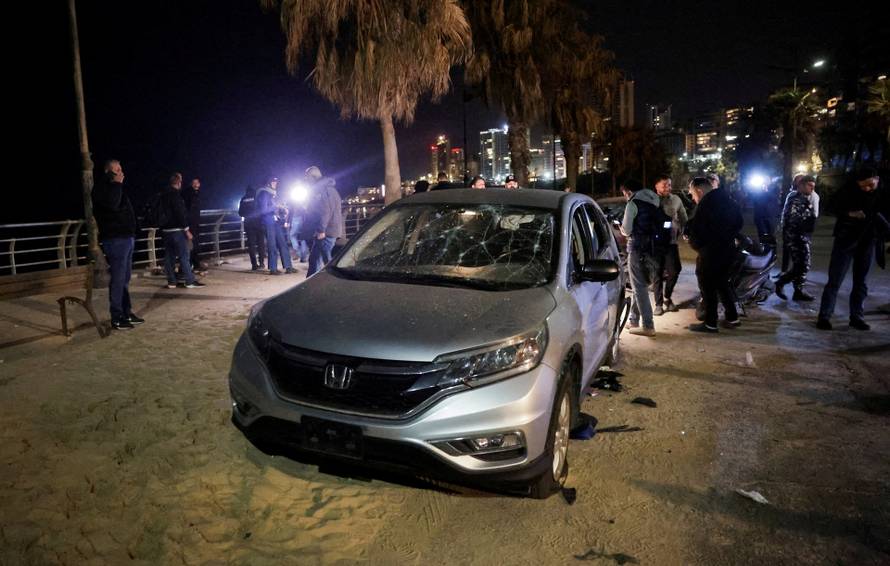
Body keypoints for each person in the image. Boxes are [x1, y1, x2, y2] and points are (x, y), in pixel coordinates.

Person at [817, 168, 889, 331]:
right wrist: (849, 213)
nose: (866, 189)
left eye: (870, 185)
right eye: (862, 186)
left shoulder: (883, 192)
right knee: (834, 280)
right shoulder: (848, 190)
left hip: (868, 241)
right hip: (846, 240)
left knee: (861, 282)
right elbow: (830, 207)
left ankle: (856, 317)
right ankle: (824, 316)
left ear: (876, 178)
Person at [685, 176, 743, 332]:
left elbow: (697, 231)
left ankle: (710, 323)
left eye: (692, 193)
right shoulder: (729, 200)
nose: (693, 197)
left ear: (699, 190)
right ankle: (732, 317)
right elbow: (739, 222)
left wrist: (695, 244)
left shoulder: (706, 204)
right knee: (723, 283)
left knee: (708, 287)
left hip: (710, 253)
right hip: (728, 250)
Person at [92, 159, 143, 330]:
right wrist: (116, 185)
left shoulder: (116, 187)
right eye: (116, 170)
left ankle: (126, 311)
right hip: (115, 239)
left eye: (121, 169)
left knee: (125, 278)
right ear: (108, 172)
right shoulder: (103, 188)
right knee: (118, 279)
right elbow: (112, 205)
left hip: (126, 237)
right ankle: (116, 316)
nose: (120, 173)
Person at [619, 179, 662, 337]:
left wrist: (621, 229)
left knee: (639, 287)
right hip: (654, 249)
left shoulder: (633, 204)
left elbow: (627, 230)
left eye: (624, 193)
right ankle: (634, 320)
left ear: (628, 191)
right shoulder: (655, 200)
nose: (625, 196)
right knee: (641, 285)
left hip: (637, 248)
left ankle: (648, 325)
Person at [158, 173, 205, 289]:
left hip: (165, 230)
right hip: (177, 230)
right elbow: (180, 214)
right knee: (185, 255)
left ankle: (171, 281)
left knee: (169, 256)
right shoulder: (176, 195)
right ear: (178, 183)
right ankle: (189, 281)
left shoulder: (162, 195)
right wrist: (187, 229)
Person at [775, 175, 818, 301]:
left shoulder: (803, 199)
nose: (812, 189)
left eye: (813, 186)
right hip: (796, 237)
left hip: (801, 236)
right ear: (801, 185)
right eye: (810, 186)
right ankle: (781, 283)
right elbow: (794, 220)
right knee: (803, 265)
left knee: (803, 265)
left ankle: (798, 290)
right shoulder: (796, 199)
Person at [651, 175, 688, 314]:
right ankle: (658, 304)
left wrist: (686, 231)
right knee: (657, 273)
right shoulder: (651, 200)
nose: (668, 188)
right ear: (656, 186)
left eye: (669, 185)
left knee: (675, 270)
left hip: (671, 242)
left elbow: (684, 218)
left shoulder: (676, 200)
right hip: (655, 243)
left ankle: (667, 297)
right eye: (664, 185)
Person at [304, 166, 343, 277]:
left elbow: (325, 211)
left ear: (313, 177)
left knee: (323, 261)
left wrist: (321, 229)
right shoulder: (329, 189)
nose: (306, 181)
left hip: (326, 232)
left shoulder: (322, 190)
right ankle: (310, 283)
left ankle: (332, 281)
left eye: (307, 178)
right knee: (315, 259)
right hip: (329, 230)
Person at [256, 176, 295, 275]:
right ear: (268, 183)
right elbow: (263, 210)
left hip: (275, 222)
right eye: (273, 182)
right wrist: (276, 206)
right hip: (268, 222)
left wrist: (282, 209)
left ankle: (288, 266)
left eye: (276, 182)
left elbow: (274, 208)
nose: (275, 184)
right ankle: (273, 269)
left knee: (283, 243)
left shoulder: (273, 194)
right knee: (272, 245)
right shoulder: (264, 193)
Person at [238, 185, 266, 270]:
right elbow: (262, 209)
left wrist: (247, 214)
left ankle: (254, 265)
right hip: (258, 223)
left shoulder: (243, 199)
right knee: (261, 244)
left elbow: (240, 213)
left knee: (251, 245)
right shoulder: (257, 196)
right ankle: (261, 263)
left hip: (248, 224)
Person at [181, 177, 204, 273]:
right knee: (192, 244)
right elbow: (189, 209)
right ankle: (192, 265)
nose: (195, 184)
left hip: (194, 222)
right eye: (194, 183)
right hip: (191, 223)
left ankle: (194, 264)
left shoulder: (197, 193)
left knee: (194, 244)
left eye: (197, 183)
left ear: (199, 184)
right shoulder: (190, 193)